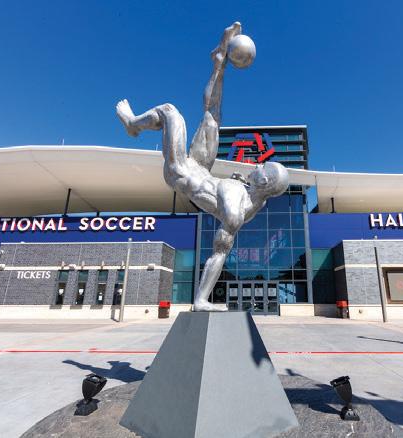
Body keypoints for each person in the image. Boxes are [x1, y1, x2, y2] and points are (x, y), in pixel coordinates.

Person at [116, 22, 289, 311]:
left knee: (171, 113)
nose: (259, 165)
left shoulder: (236, 208)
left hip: (183, 171)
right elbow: (228, 234)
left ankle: (133, 125)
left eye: (263, 168)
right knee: (212, 116)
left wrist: (201, 299)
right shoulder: (247, 197)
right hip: (201, 167)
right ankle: (219, 62)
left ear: (264, 183)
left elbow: (219, 252)